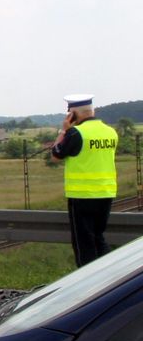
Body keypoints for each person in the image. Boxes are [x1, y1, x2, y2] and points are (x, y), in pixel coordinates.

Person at [50, 93, 119, 267]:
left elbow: (56, 154)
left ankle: (87, 284)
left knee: (83, 244)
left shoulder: (76, 133)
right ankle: (110, 274)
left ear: (72, 114)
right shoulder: (110, 132)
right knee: (98, 237)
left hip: (82, 195)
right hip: (106, 192)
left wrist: (64, 130)